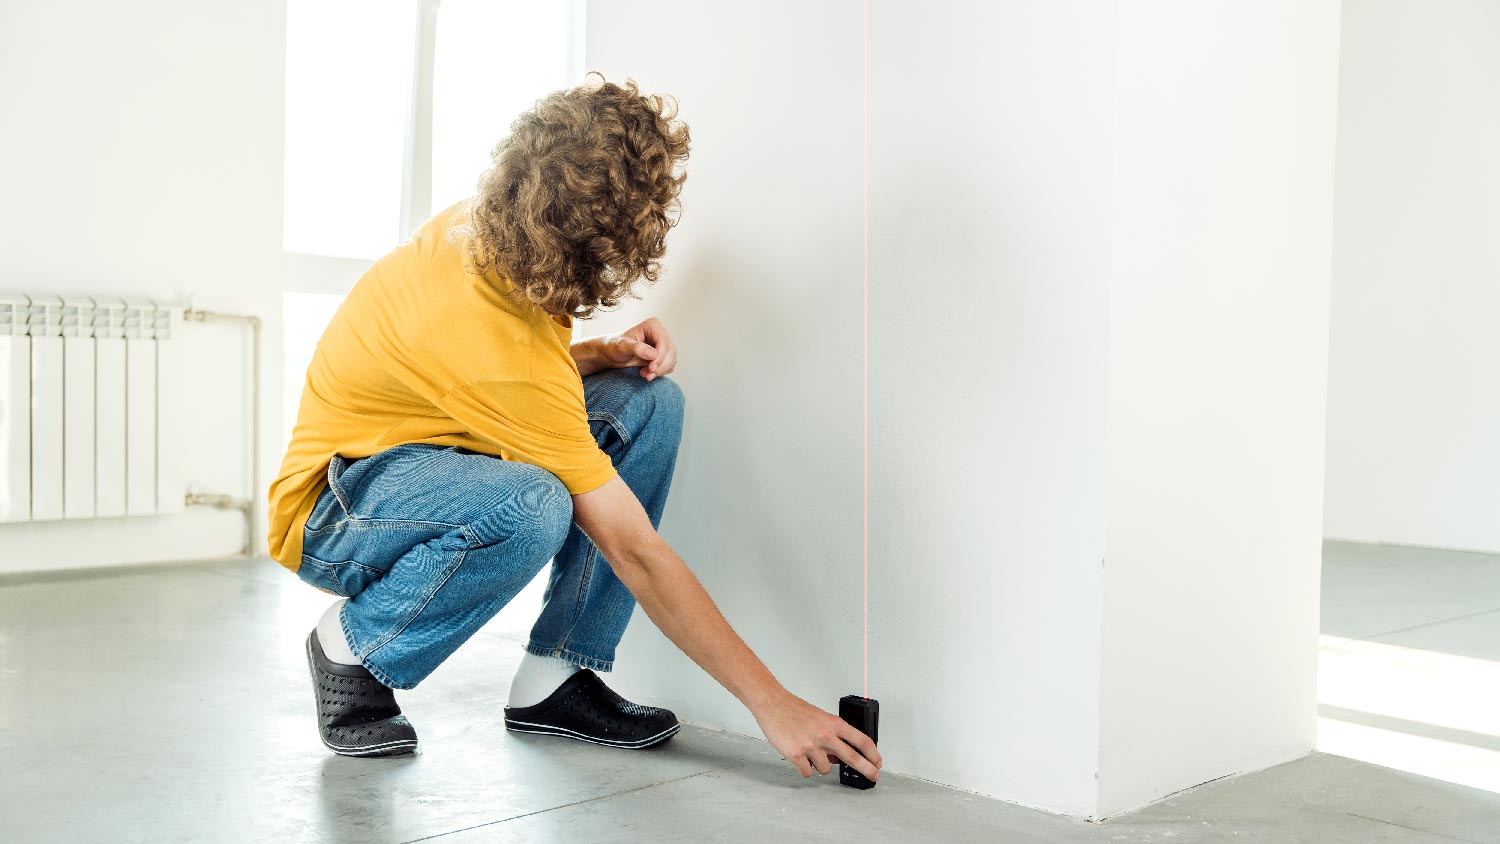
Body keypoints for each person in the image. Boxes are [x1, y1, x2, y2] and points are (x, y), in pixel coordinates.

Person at [267, 74, 881, 783]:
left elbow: (494, 376)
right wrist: (773, 704)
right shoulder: (497, 352)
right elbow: (634, 551)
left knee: (649, 402)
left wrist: (602, 354)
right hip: (336, 508)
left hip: (426, 454)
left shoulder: (491, 226)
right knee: (531, 505)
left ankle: (554, 677)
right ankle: (354, 646)